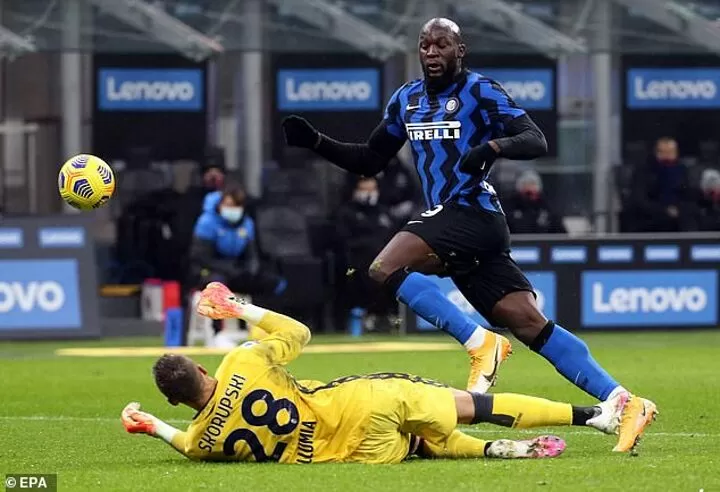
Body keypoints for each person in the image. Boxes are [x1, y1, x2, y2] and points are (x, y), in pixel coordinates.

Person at [281, 16, 655, 422]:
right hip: (457, 227)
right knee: (529, 323)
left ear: (460, 50)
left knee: (384, 266)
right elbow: (370, 159)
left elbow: (535, 139)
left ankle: (481, 343)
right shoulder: (406, 99)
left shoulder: (479, 90)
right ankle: (624, 402)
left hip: (473, 210)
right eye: (425, 46)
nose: (431, 53)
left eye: (441, 45)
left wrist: (493, 146)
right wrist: (316, 142)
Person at [121, 282, 656, 463]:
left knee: (429, 445)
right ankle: (594, 417)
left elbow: (187, 444)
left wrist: (150, 426)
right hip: (359, 403)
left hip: (352, 454)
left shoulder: (205, 441)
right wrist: (238, 307)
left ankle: (492, 451)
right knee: (472, 405)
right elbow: (300, 334)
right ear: (197, 364)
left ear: (176, 402)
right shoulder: (242, 360)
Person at [189, 185, 286, 346]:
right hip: (209, 271)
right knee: (217, 285)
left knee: (271, 283)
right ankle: (218, 333)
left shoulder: (247, 224)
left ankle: (268, 330)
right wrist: (230, 269)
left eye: (236, 206)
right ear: (220, 205)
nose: (232, 210)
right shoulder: (207, 223)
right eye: (228, 205)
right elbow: (201, 257)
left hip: (236, 270)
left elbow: (251, 254)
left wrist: (250, 270)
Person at [336, 176, 398, 325]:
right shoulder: (346, 213)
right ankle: (367, 315)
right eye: (365, 190)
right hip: (357, 260)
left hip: (386, 260)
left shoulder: (383, 212)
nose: (370, 193)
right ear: (356, 191)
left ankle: (391, 315)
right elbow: (342, 240)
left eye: (372, 189)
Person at [629, 137, 694, 232]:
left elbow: (688, 196)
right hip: (650, 218)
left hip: (679, 217)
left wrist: (679, 210)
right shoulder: (643, 171)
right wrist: (664, 210)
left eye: (671, 152)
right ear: (656, 153)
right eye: (663, 152)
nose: (667, 156)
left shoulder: (682, 170)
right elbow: (639, 200)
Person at [505, 170, 567, 234]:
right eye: (525, 185)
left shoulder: (549, 208)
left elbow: (562, 235)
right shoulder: (509, 209)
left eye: (533, 184)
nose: (530, 189)